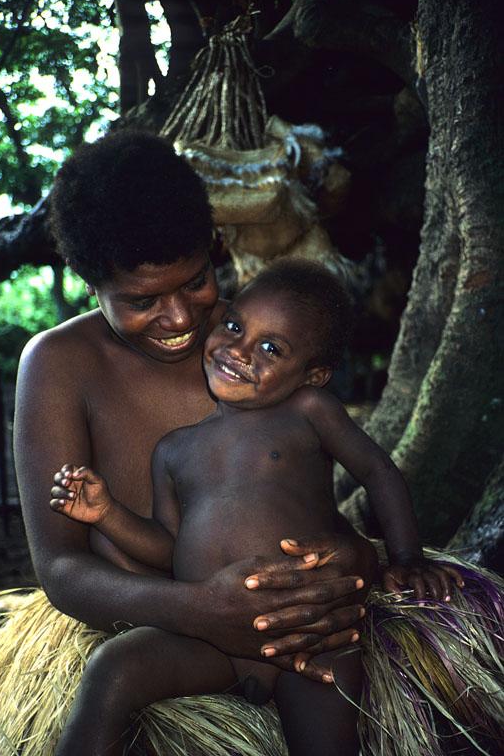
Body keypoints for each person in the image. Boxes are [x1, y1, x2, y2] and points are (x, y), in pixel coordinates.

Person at [0, 130, 376, 755]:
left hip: (289, 630)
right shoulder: (57, 365)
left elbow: (304, 502)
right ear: (88, 282)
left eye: (195, 282)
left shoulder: (256, 352)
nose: (181, 318)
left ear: (213, 251)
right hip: (143, 630)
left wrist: (353, 564)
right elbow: (61, 568)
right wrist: (198, 609)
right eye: (141, 300)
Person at [50, 259, 463, 756]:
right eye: (234, 326)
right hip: (209, 642)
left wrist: (406, 557)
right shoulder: (175, 449)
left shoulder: (308, 412)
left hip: (307, 637)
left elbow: (378, 472)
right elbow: (168, 548)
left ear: (313, 375)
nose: (239, 351)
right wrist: (107, 514)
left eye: (271, 348)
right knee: (112, 668)